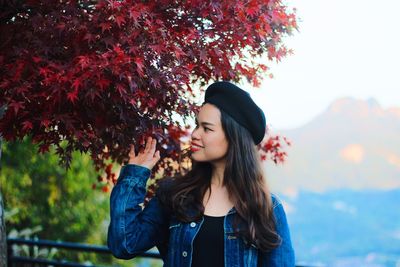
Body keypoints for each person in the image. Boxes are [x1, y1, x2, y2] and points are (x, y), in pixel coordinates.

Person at [107, 81, 295, 266]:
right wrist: (135, 175)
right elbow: (124, 245)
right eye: (197, 125)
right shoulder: (175, 196)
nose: (195, 134)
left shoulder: (267, 208)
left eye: (207, 128)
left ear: (233, 138)